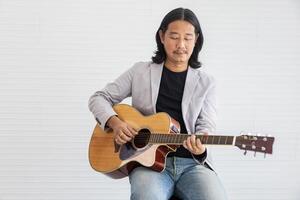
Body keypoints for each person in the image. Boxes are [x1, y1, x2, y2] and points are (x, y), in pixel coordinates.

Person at [88, 7, 227, 200]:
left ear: (196, 40)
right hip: (147, 164)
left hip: (192, 165)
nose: (181, 44)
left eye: (187, 38)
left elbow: (206, 126)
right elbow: (99, 98)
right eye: (174, 36)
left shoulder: (207, 83)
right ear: (162, 36)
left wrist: (201, 146)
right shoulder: (140, 72)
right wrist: (116, 123)